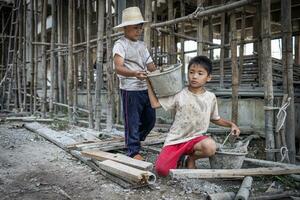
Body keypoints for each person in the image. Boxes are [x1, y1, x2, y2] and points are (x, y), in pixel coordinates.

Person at [146, 55, 240, 176]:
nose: (194, 76)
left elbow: (215, 119)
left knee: (210, 146)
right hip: (175, 140)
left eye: (200, 73)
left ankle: (191, 159)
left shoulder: (210, 97)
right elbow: (154, 104)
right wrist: (148, 81)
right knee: (161, 171)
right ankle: (179, 157)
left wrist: (232, 125)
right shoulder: (179, 94)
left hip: (195, 140)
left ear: (209, 77)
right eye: (191, 72)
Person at [113, 7, 156, 160]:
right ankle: (133, 150)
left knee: (150, 120)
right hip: (130, 88)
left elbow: (150, 65)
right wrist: (134, 73)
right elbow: (118, 68)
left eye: (140, 28)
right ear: (125, 28)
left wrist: (159, 72)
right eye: (135, 28)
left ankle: (136, 140)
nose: (138, 31)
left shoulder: (142, 46)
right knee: (132, 121)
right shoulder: (120, 44)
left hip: (145, 87)